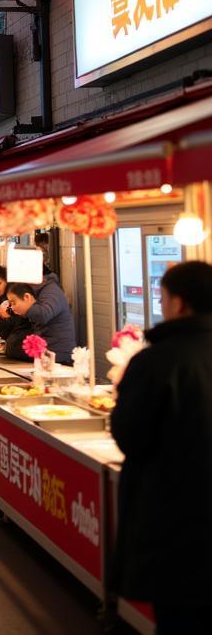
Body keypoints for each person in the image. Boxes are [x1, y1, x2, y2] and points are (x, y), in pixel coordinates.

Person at [112, 261, 212, 634]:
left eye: (163, 296)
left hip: (175, 520)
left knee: (179, 620)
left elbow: (129, 436)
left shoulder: (156, 361)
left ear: (179, 303)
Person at [5, 275, 76, 365]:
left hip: (58, 356)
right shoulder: (38, 291)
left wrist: (26, 309)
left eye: (13, 303)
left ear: (27, 297)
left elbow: (43, 314)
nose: (12, 307)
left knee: (13, 347)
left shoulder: (51, 291)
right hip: (47, 353)